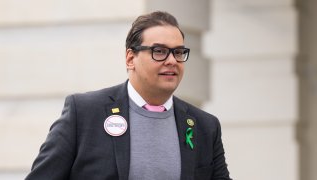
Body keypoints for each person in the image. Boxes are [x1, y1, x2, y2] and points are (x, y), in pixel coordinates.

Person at [26, 11, 231, 180]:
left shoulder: (204, 126)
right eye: (159, 51)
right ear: (130, 58)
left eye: (178, 52)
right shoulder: (84, 113)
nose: (172, 61)